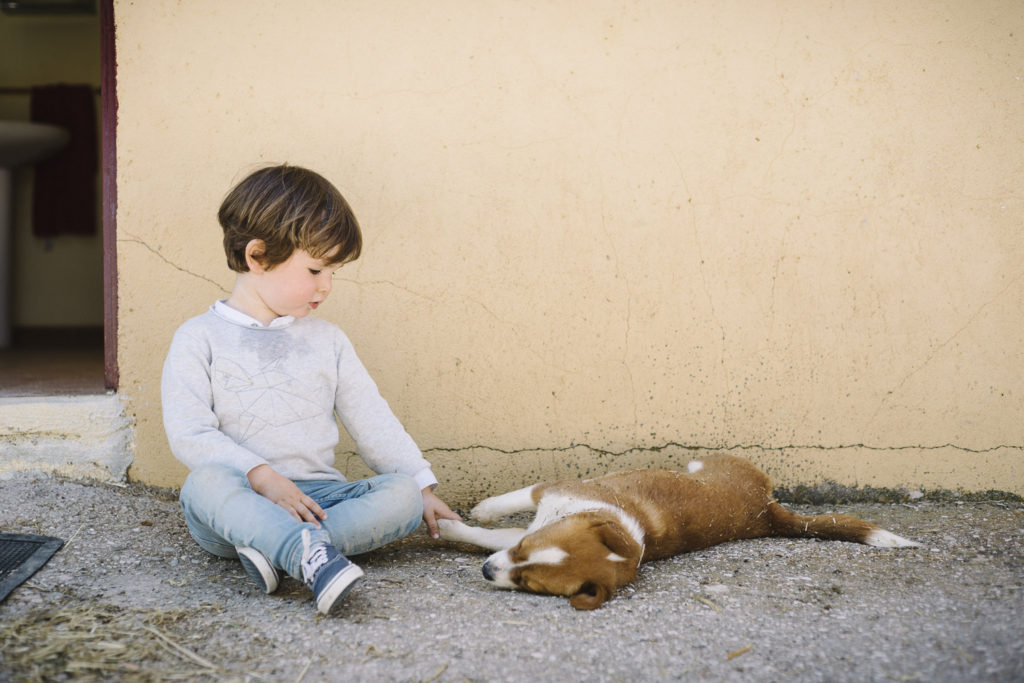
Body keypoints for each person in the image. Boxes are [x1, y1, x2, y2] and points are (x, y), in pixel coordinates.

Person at [161, 164, 461, 615]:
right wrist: (262, 476)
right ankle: (299, 551)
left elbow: (371, 417)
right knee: (203, 484)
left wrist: (421, 486)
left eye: (334, 272)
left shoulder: (327, 341)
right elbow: (190, 433)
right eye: (317, 268)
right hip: (240, 502)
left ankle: (281, 551)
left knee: (400, 496)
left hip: (320, 501)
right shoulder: (197, 337)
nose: (326, 286)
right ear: (257, 256)